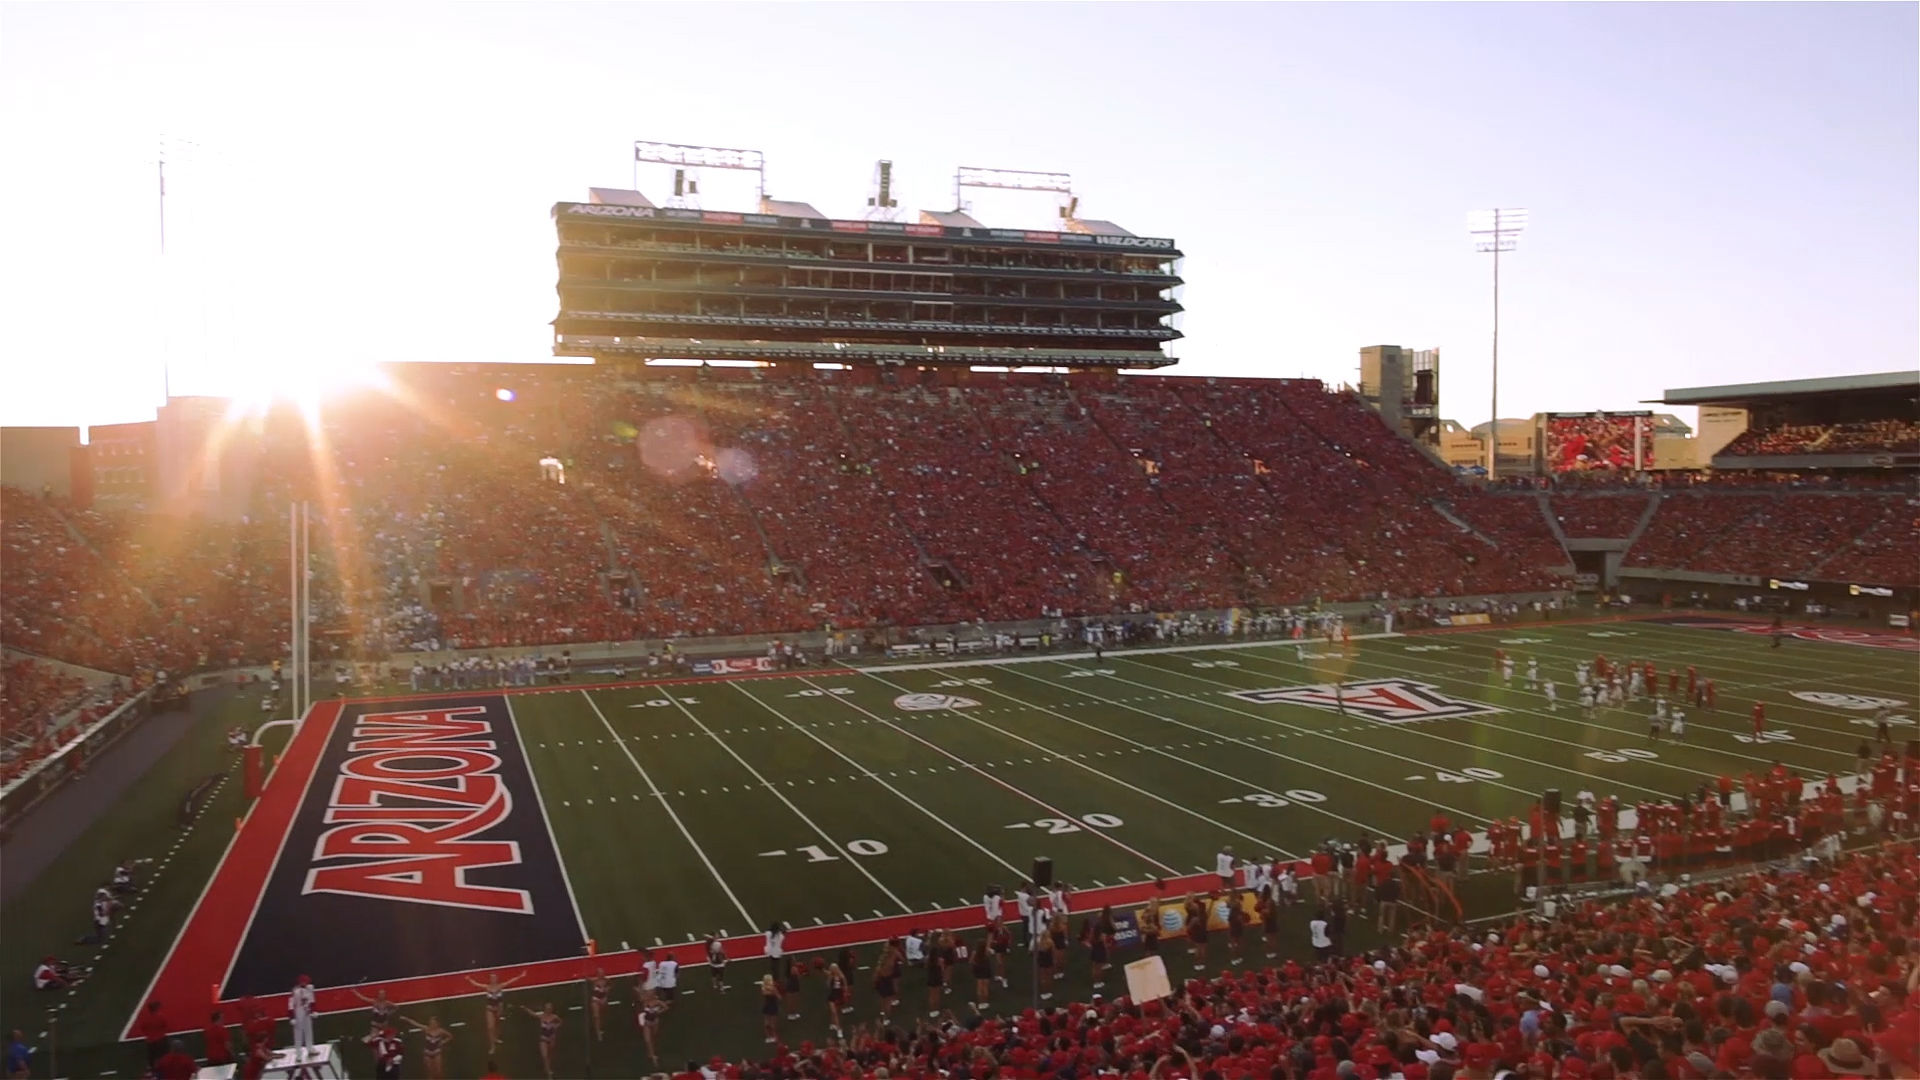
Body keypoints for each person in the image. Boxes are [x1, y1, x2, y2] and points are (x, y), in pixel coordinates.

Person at [465, 970, 526, 1053]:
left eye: (494, 978)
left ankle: (496, 1037)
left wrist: (521, 976)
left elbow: (511, 981)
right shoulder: (487, 987)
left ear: (497, 979)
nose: (493, 979)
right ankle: (492, 1046)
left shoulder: (500, 986)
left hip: (498, 1009)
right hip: (489, 1009)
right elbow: (476, 984)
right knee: (490, 1027)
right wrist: (469, 979)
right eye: (491, 978)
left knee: (497, 1023)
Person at [403, 1016, 452, 1080]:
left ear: (437, 1023)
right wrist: (406, 1019)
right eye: (431, 1023)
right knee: (429, 1071)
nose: (432, 1025)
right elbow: (415, 1023)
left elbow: (450, 1036)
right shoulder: (426, 1028)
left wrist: (443, 1042)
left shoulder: (441, 1031)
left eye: (434, 1023)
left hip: (436, 1051)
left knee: (438, 1070)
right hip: (427, 1051)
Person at [520, 1002, 561, 1080]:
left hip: (552, 1038)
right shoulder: (541, 1016)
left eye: (550, 1008)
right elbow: (533, 1014)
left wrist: (556, 1026)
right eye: (547, 1008)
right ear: (545, 1009)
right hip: (543, 1038)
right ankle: (549, 1072)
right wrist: (525, 1008)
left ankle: (547, 1066)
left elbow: (560, 1022)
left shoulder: (554, 1017)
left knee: (550, 1055)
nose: (549, 1010)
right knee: (544, 1055)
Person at [290, 974, 316, 1051]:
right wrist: (292, 1017)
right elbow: (291, 1004)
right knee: (298, 1032)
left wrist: (313, 1011)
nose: (305, 984)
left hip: (307, 1012)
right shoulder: (295, 991)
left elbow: (312, 1001)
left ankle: (310, 1048)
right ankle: (298, 1051)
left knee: (308, 1030)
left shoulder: (310, 990)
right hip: (298, 1011)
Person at [759, 975, 781, 1043]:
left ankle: (768, 1037)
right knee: (772, 1023)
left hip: (767, 1005)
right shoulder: (773, 988)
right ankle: (773, 1036)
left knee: (766, 1022)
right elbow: (779, 997)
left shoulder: (763, 988)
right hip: (773, 1005)